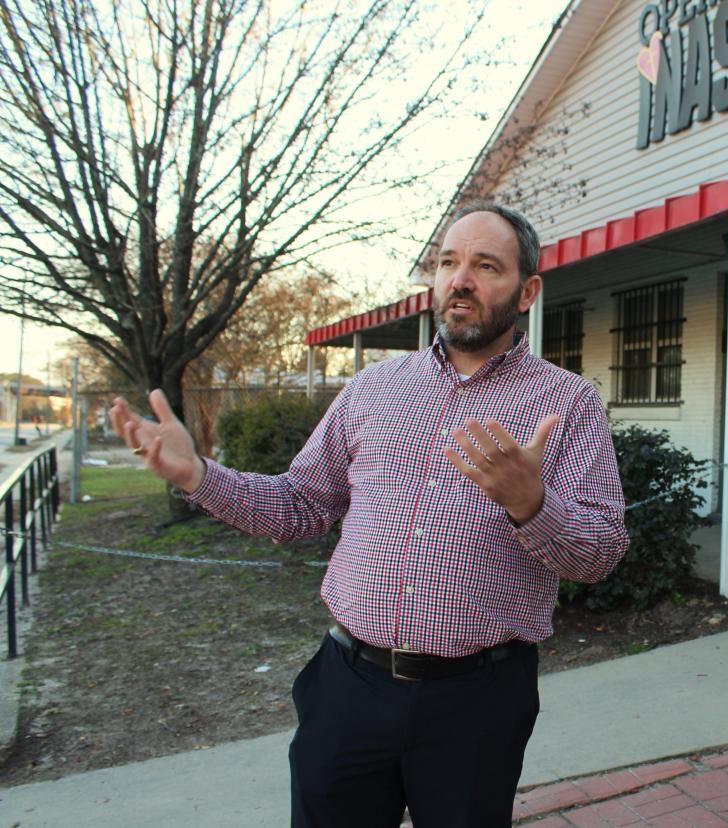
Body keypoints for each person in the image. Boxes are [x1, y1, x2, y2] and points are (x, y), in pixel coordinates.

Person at [110, 203, 629, 827]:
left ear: (528, 291)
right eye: (448, 262)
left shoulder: (567, 403)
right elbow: (300, 506)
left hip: (478, 702)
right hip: (350, 688)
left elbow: (600, 554)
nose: (460, 279)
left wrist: (530, 503)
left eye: (485, 265)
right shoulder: (374, 389)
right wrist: (198, 475)